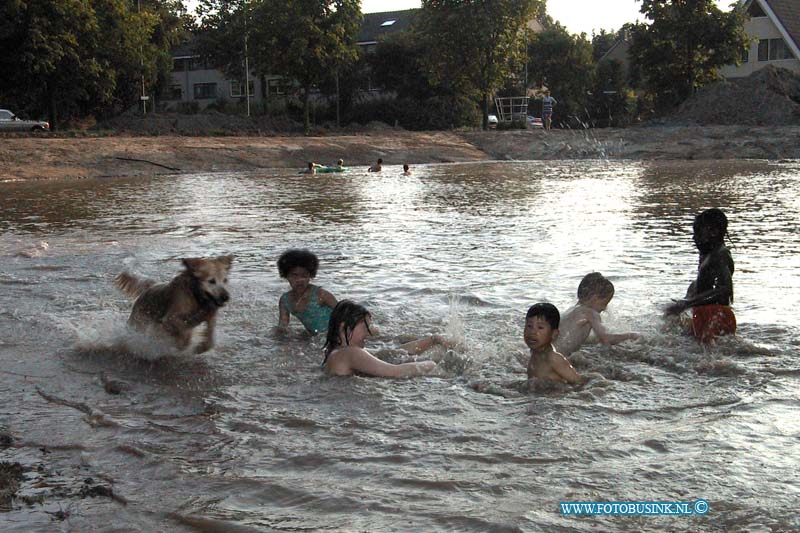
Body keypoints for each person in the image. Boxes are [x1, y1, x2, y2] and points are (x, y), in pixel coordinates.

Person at [322, 300, 452, 377]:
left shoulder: (336, 352)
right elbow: (395, 372)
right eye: (365, 328)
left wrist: (433, 340)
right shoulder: (350, 353)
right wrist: (433, 364)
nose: (368, 333)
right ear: (344, 327)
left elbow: (393, 352)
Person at [665, 208, 736, 343]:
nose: (694, 237)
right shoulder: (709, 254)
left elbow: (725, 290)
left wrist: (686, 304)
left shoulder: (720, 255)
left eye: (698, 233)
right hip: (709, 314)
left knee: (708, 359)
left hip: (715, 316)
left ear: (714, 232)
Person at [554, 273, 639, 357]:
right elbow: (605, 338)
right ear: (595, 299)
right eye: (604, 303)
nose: (605, 308)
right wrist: (630, 335)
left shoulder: (572, 310)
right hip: (558, 358)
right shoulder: (591, 313)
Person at [277, 249, 337, 334]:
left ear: (310, 276)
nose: (299, 280)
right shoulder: (285, 300)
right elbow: (283, 325)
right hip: (313, 336)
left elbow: (344, 313)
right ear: (286, 276)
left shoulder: (321, 294)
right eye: (294, 276)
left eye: (304, 275)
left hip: (334, 334)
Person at [525, 303, 583, 384]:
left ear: (554, 334)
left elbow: (579, 382)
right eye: (529, 326)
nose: (533, 332)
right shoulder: (535, 353)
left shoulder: (554, 359)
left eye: (540, 327)